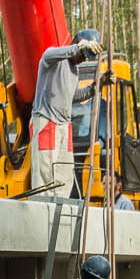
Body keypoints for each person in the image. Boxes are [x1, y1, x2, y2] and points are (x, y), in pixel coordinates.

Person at [28, 29, 103, 199]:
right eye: (82, 55)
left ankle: (59, 213)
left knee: (64, 175)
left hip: (64, 125)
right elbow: (49, 54)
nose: (82, 59)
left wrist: (97, 86)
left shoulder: (74, 71)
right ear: (76, 43)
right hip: (47, 121)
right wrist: (79, 47)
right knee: (45, 176)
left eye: (85, 57)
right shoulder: (52, 60)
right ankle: (43, 211)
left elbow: (73, 96)